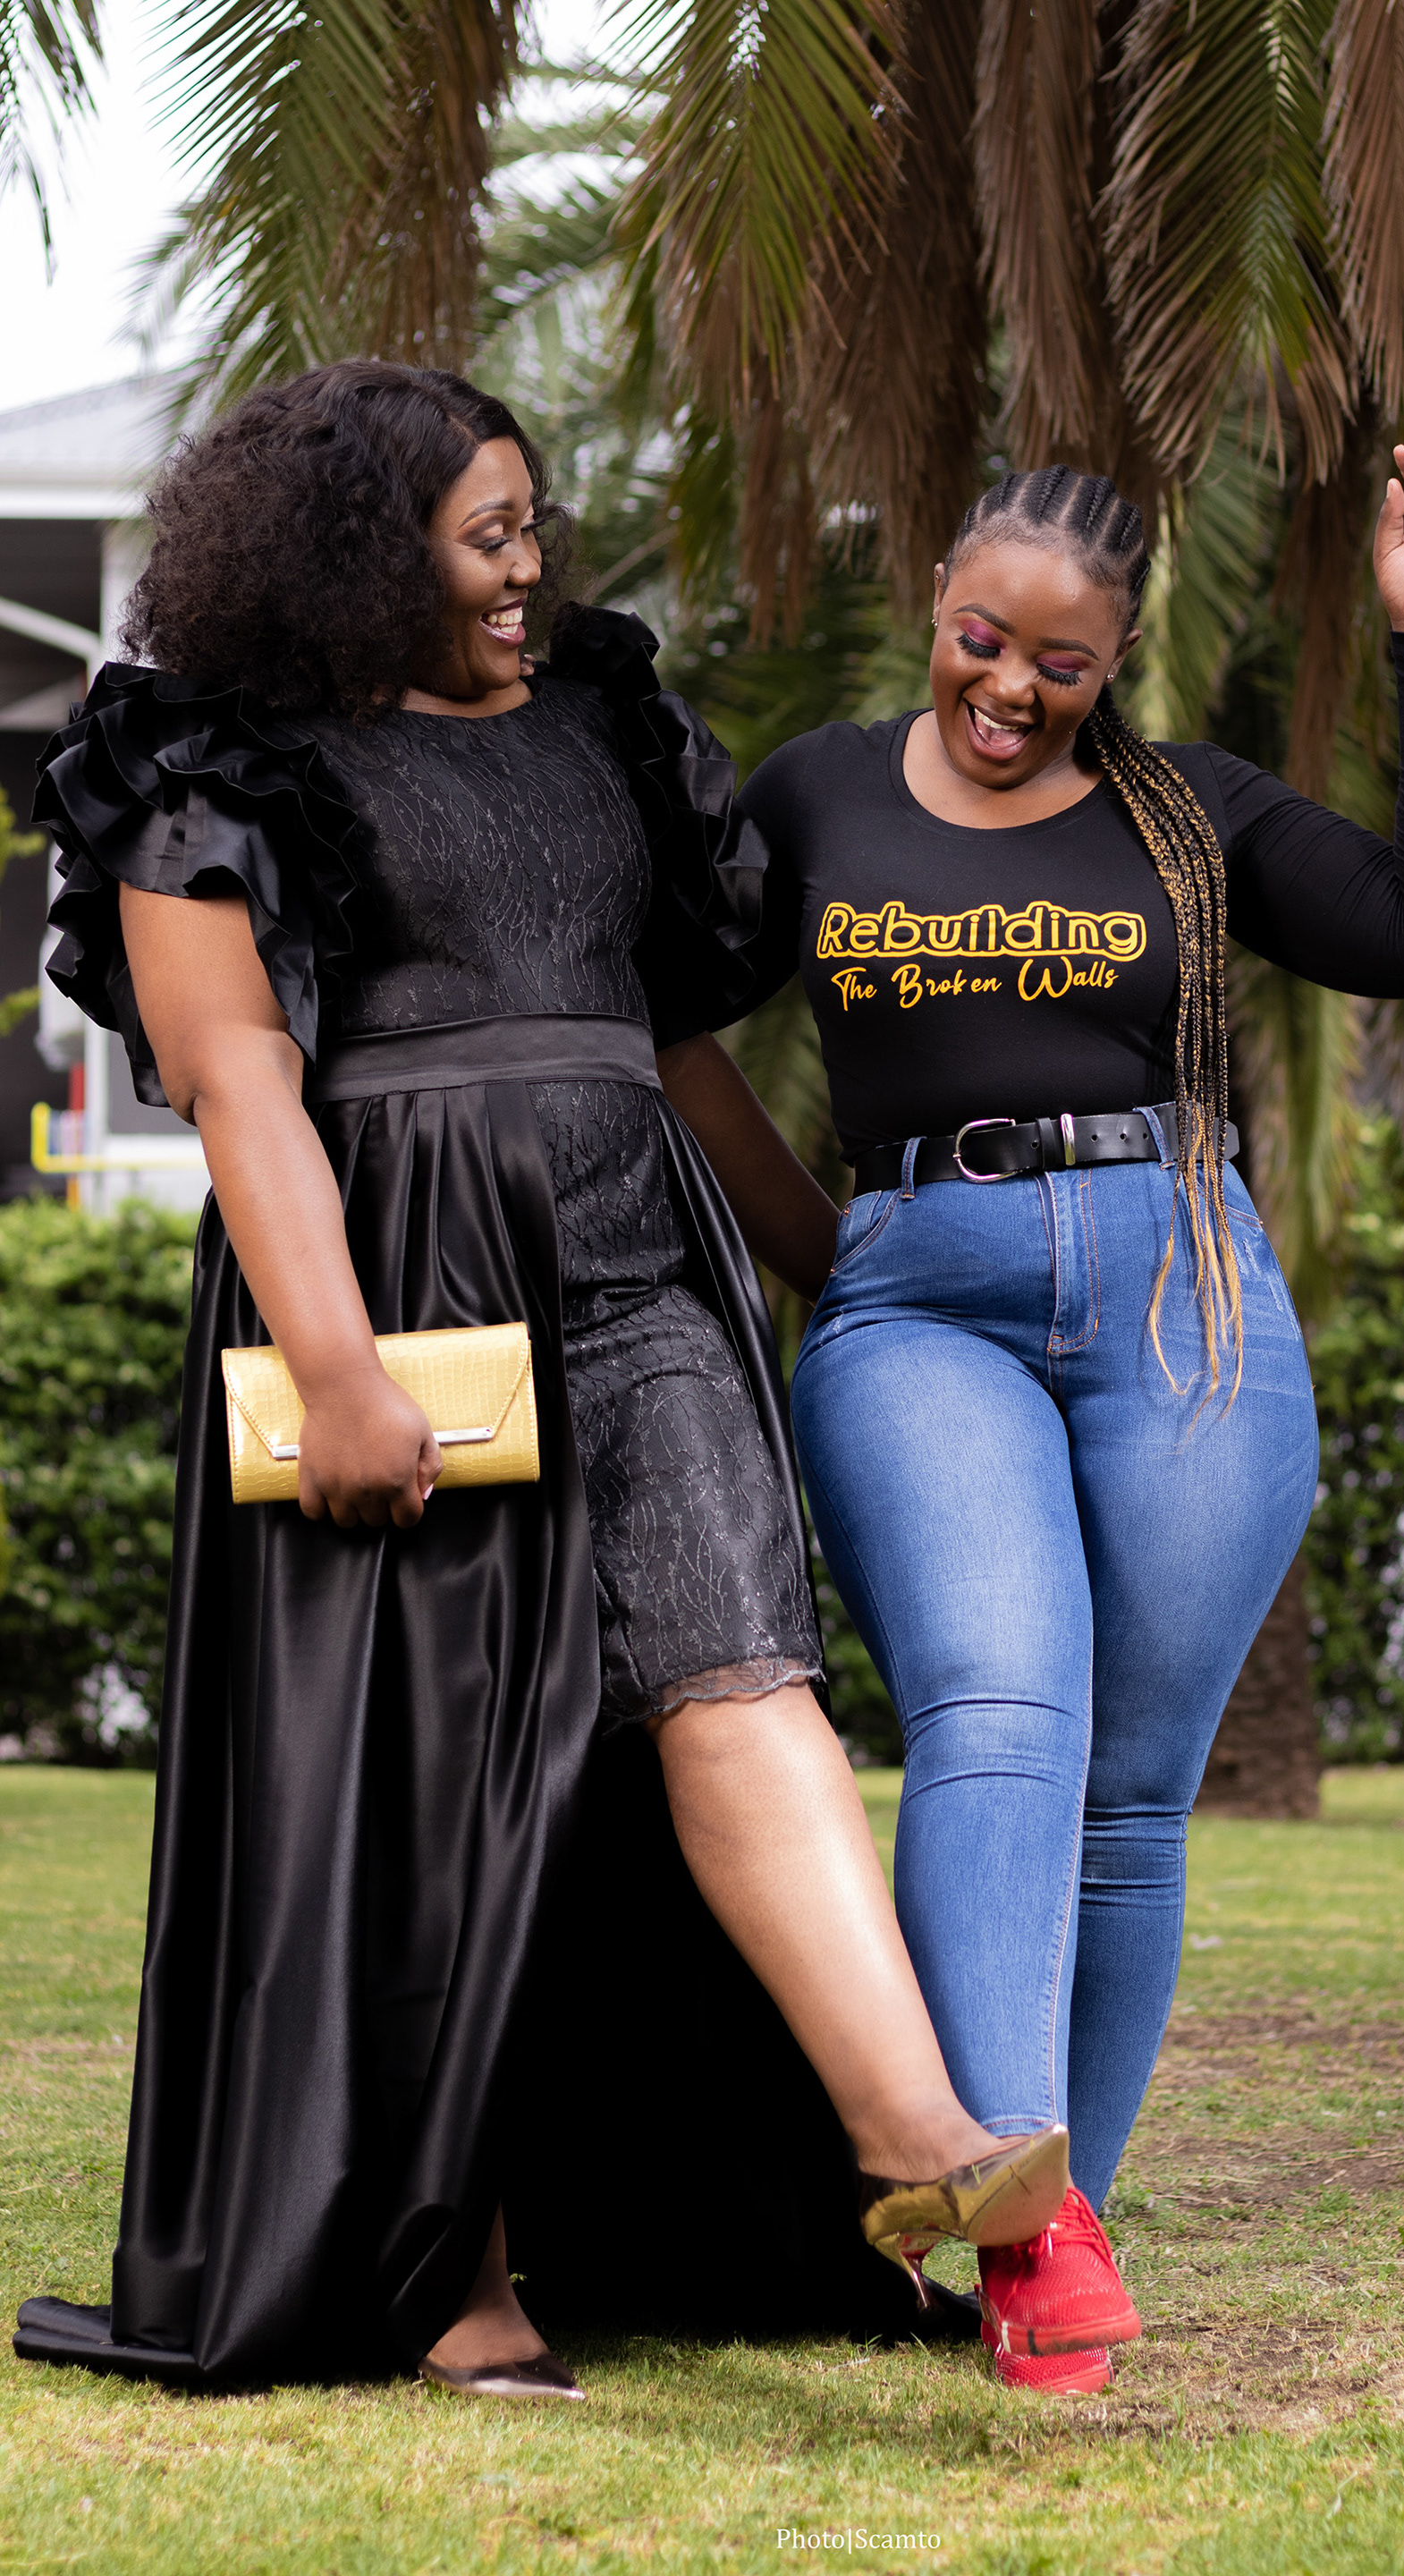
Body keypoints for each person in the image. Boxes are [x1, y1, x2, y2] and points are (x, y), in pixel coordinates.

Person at [12, 363, 1068, 2401]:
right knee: (437, 1770)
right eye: (487, 535)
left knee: (740, 1669)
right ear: (356, 552)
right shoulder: (205, 754)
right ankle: (450, 2266)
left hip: (641, 1256)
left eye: (533, 524)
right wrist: (333, 1368)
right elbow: (238, 1082)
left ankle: (915, 2135)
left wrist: (833, 1259)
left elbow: (670, 1043)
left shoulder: (597, 717)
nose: (529, 568)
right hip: (399, 1278)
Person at [724, 449, 1404, 2391]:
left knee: (1132, 1795)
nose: (1009, 689)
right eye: (980, 639)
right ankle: (1017, 2206)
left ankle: (1044, 2238)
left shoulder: (1187, 813)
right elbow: (665, 1017)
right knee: (997, 1716)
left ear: (1119, 661)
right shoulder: (816, 792)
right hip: (921, 1308)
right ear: (933, 597)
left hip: (1184, 1300)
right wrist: (830, 1249)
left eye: (1060, 667)